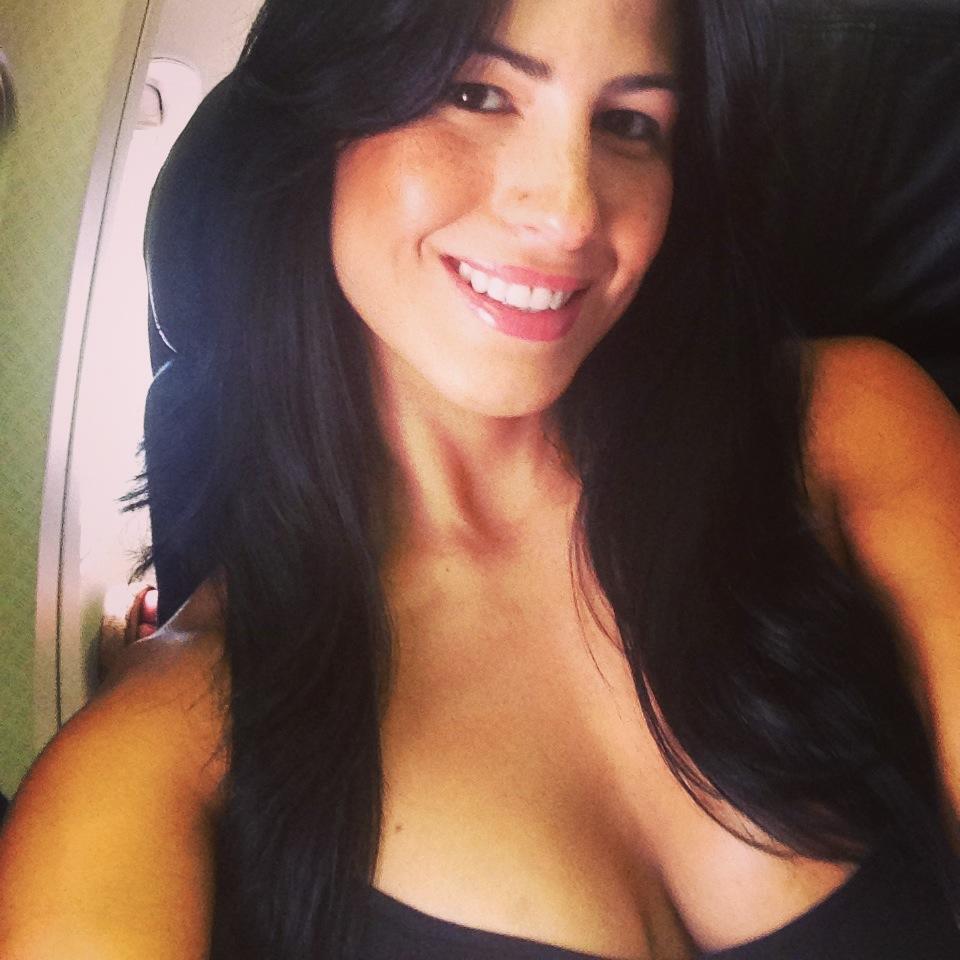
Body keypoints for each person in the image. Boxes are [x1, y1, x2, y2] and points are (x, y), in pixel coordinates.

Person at [1, 0, 959, 957]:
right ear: (320, 118)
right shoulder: (151, 766)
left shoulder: (844, 428)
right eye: (476, 94)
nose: (570, 211)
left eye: (631, 123)